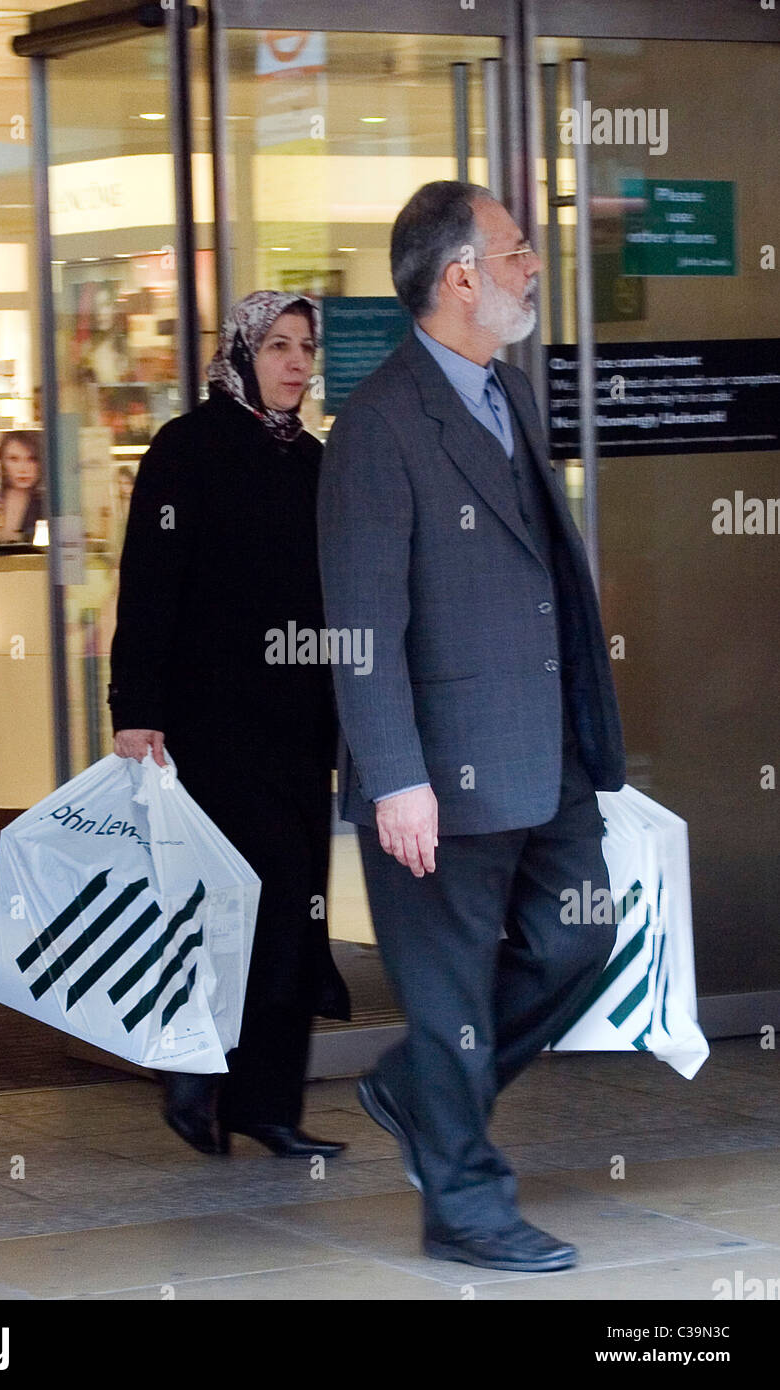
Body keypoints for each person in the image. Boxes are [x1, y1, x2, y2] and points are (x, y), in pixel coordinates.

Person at [317, 181, 626, 1271]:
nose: (531, 263)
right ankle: (465, 1203)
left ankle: (415, 1091)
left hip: (546, 749)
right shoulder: (378, 424)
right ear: (459, 277)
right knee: (448, 993)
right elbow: (360, 622)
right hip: (437, 774)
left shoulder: (508, 393)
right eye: (513, 250)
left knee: (579, 935)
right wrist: (394, 776)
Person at [109, 290, 350, 1159]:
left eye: (305, 347)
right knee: (239, 907)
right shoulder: (187, 450)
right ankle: (196, 1072)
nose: (295, 363)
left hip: (298, 725)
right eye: (279, 345)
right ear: (243, 353)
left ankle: (264, 1102)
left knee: (294, 909)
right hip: (213, 725)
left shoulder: (313, 461)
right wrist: (135, 711)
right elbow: (150, 587)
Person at [0, 431, 44, 542]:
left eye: (32, 459)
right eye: (13, 459)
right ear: (2, 462)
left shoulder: (49, 503)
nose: (23, 469)